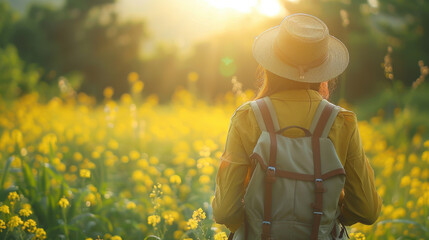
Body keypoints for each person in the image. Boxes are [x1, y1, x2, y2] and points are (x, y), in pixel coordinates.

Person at [212, 13, 382, 239]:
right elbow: (367, 210)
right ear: (323, 70)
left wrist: (251, 224)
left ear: (271, 64)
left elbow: (224, 211)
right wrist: (328, 219)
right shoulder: (342, 121)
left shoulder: (247, 117)